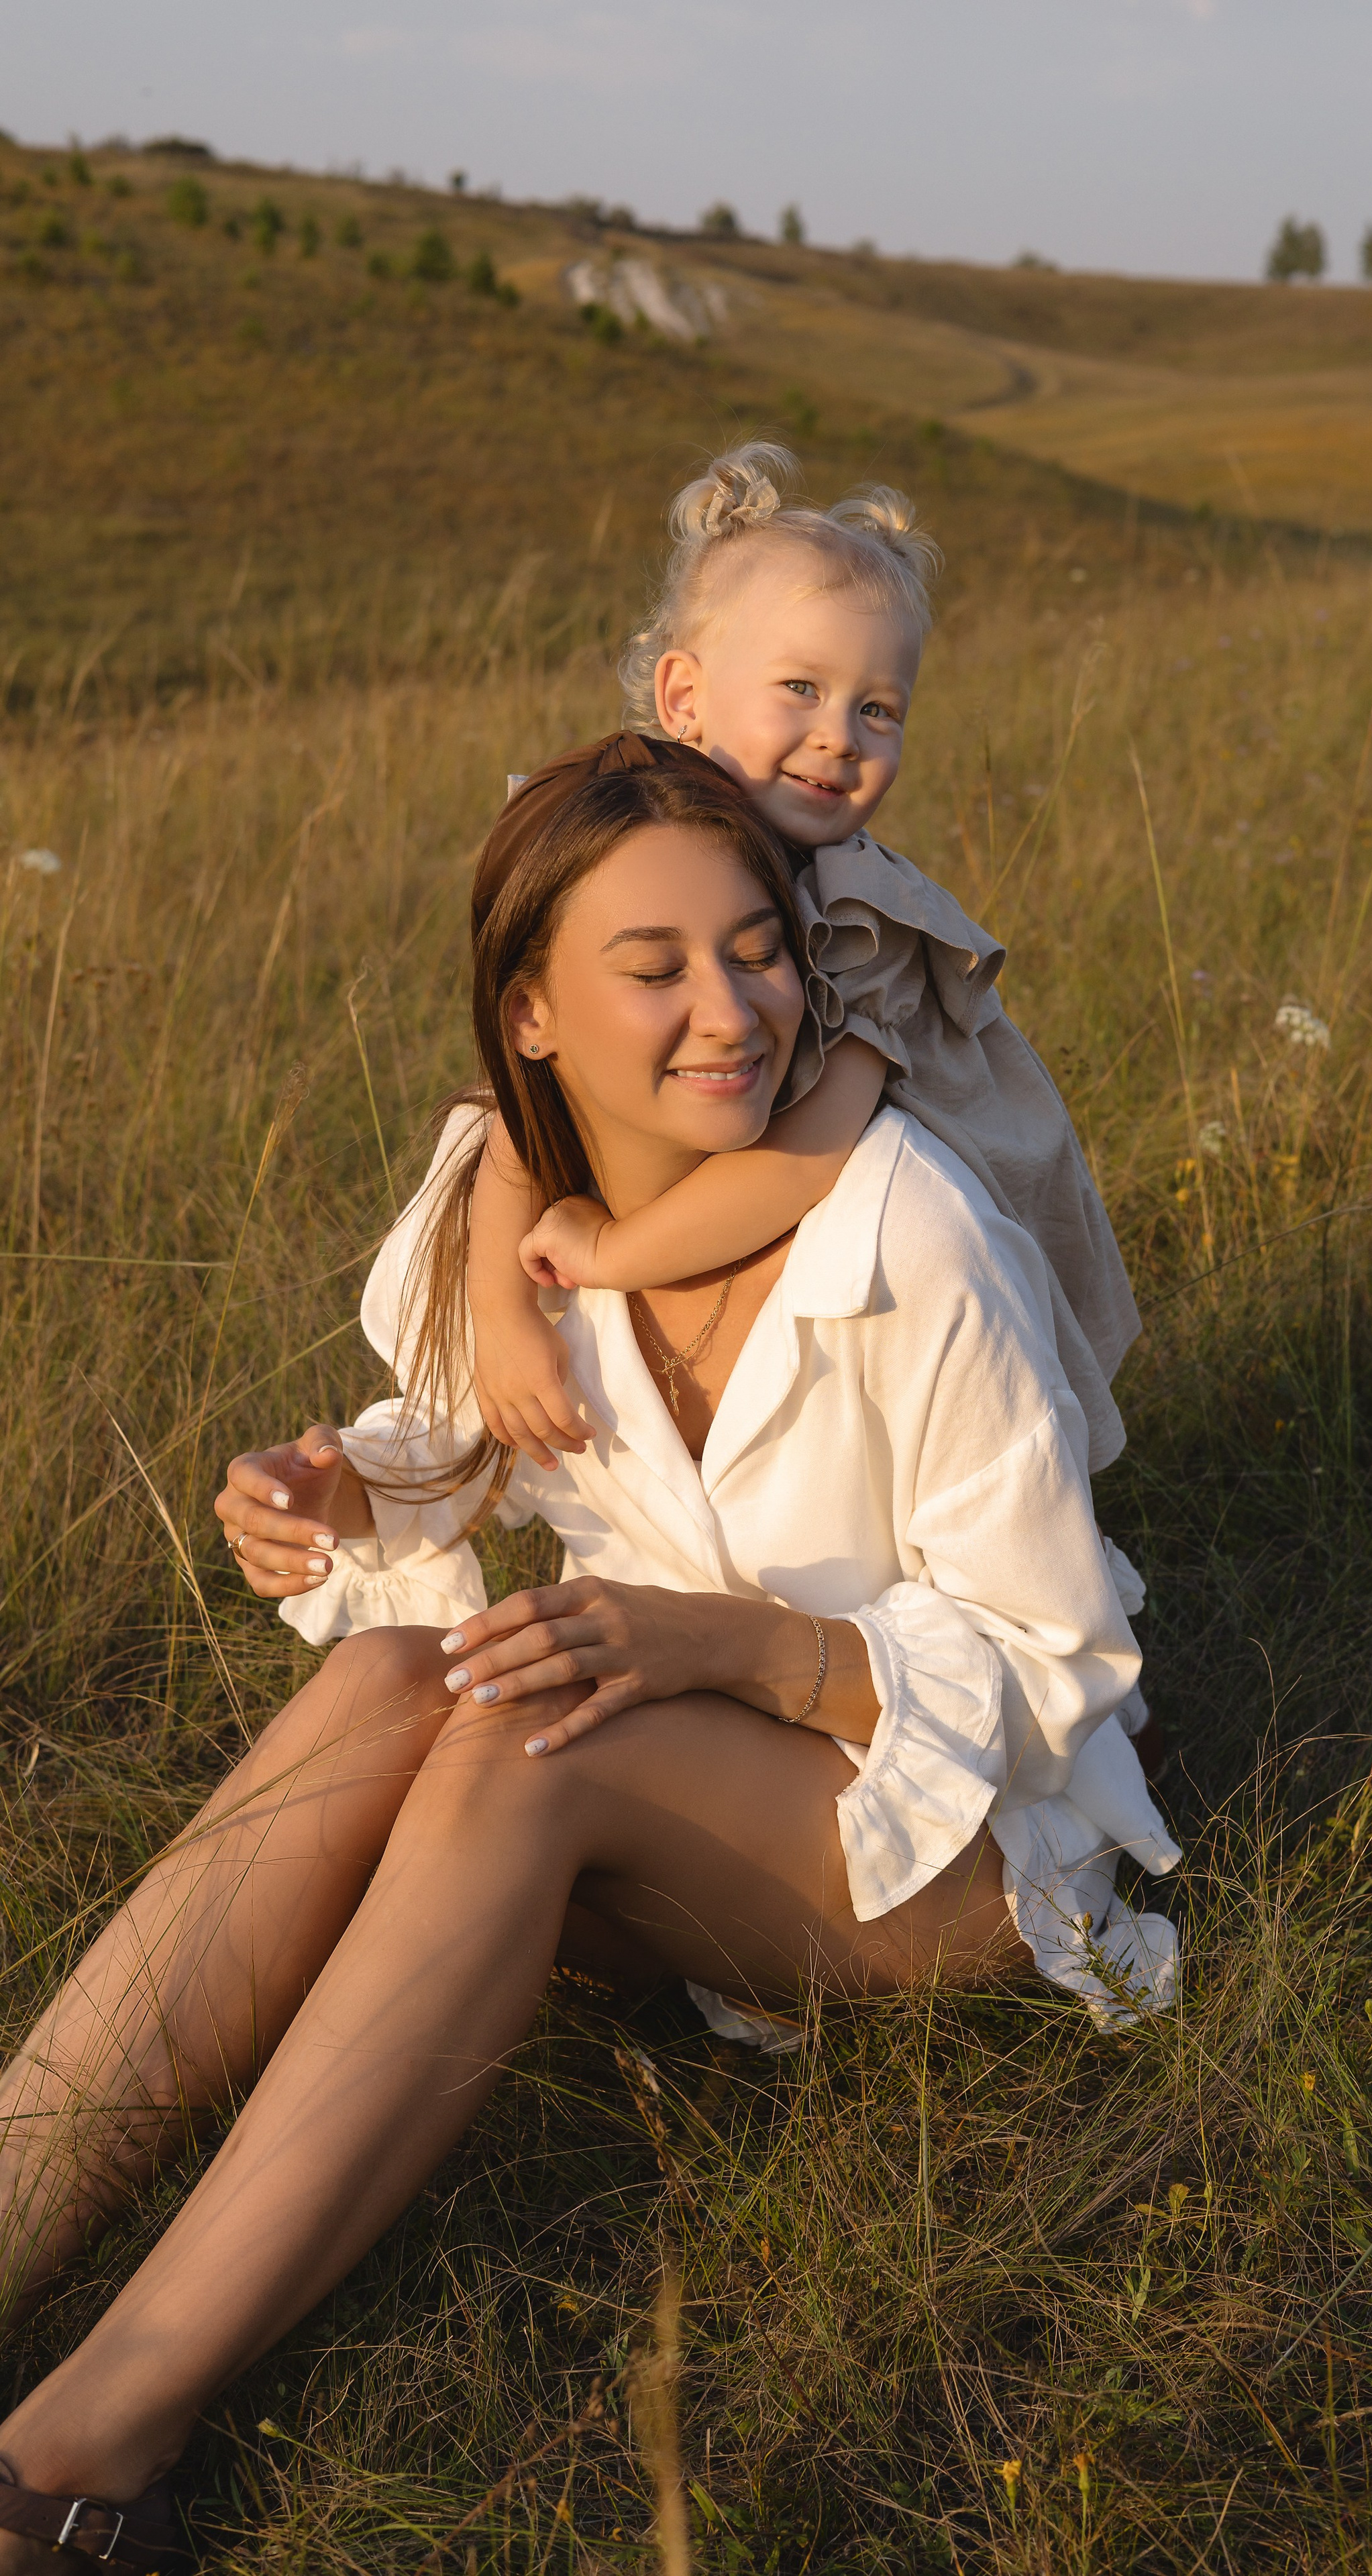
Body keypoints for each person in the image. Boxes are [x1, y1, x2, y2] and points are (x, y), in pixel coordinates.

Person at [0, 755, 1175, 2573]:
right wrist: (328, 1500)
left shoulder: (910, 1233)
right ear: (531, 1015)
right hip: (674, 1789)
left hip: (962, 1861)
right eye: (657, 968)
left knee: (538, 1737)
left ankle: (87, 2446)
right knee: (393, 1691)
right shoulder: (508, 1227)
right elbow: (465, 1452)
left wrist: (736, 1647)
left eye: (759, 950)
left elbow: (1058, 1671)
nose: (735, 1014)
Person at [465, 441, 1141, 1484]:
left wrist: (612, 1257)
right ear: (684, 696)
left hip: (941, 1209)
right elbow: (524, 1098)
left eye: (879, 709)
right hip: (753, 1168)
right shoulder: (626, 840)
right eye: (801, 688)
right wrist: (498, 1301)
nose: (840, 739)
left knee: (965, 1434)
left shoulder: (863, 914)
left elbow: (817, 1150)